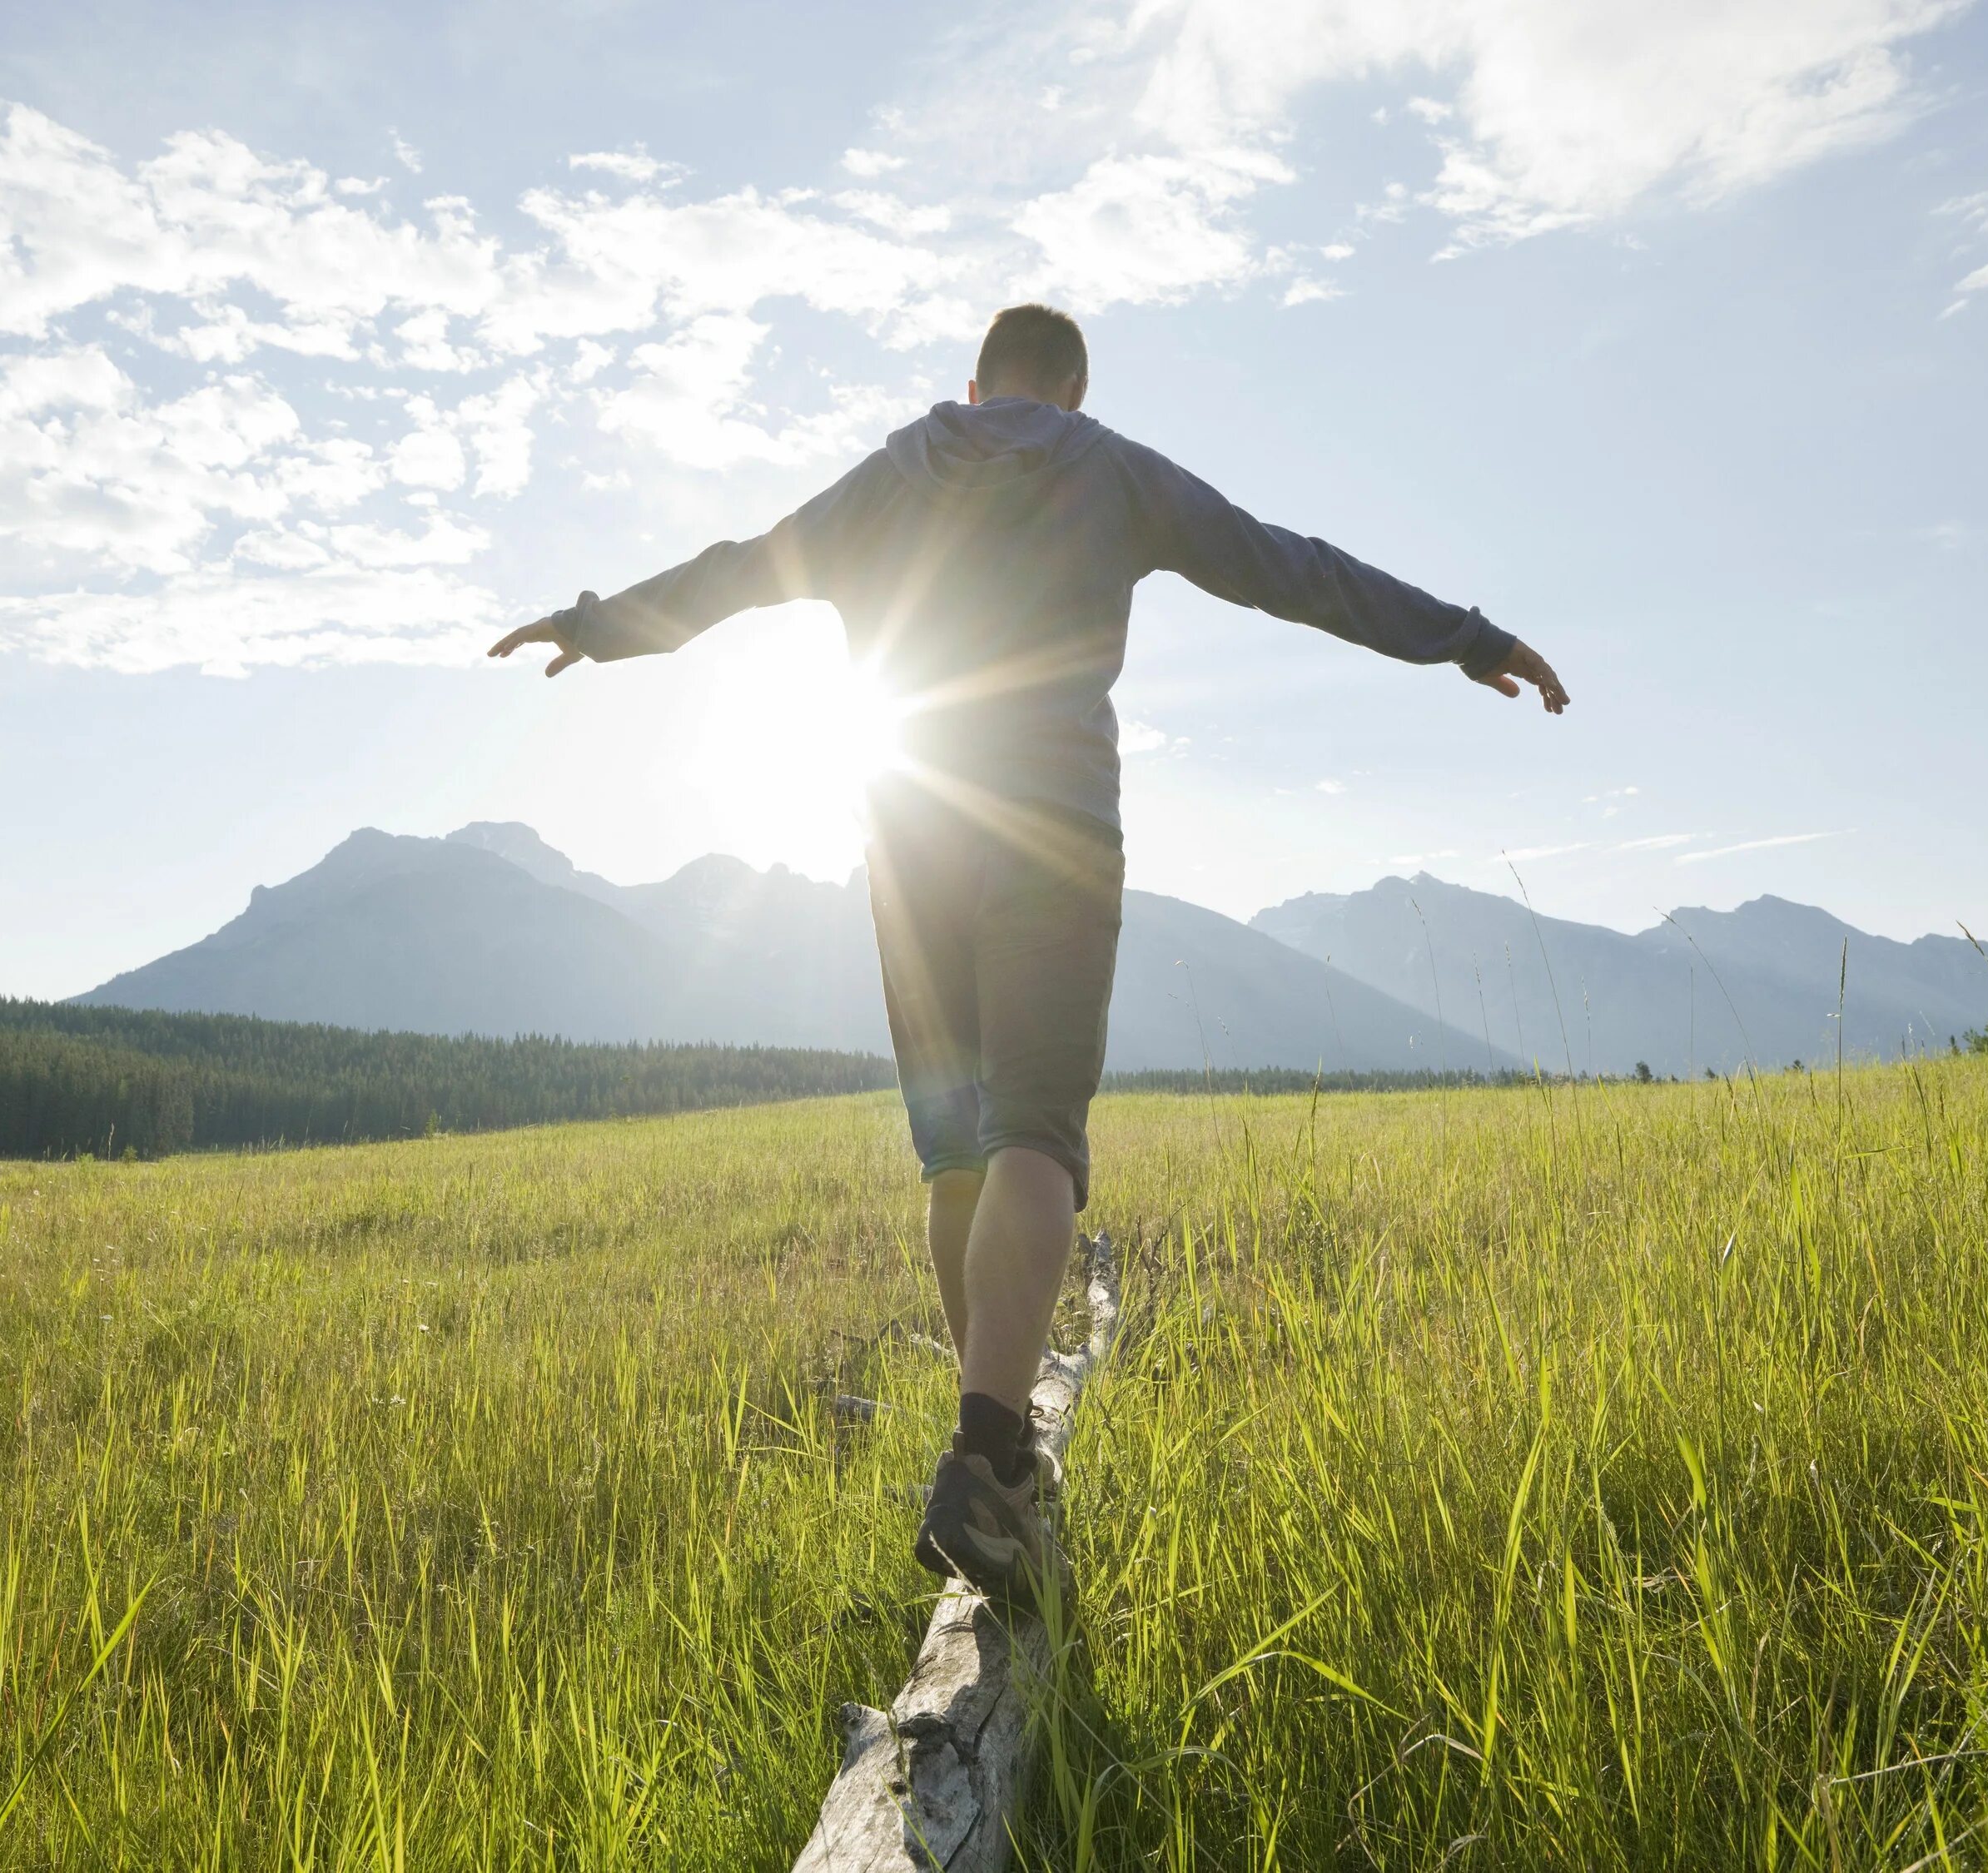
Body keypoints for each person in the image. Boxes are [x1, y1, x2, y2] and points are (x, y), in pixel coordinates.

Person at [490, 303, 1568, 1607]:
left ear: (976, 382)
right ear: (1070, 387)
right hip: (1050, 829)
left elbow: (738, 570)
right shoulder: (1106, 465)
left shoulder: (895, 471)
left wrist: (596, 624)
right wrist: (1465, 637)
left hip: (909, 833)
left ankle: (991, 1459)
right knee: (1038, 1137)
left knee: (957, 1148)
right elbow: (1293, 566)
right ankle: (990, 1458)